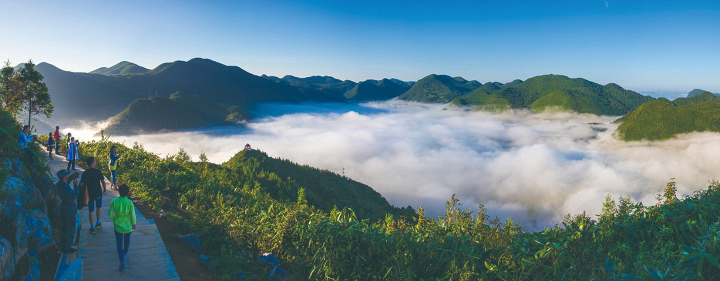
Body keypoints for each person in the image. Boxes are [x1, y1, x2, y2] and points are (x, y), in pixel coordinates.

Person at [109, 184, 136, 270]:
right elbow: (132, 214)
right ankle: (125, 253)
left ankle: (122, 261)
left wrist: (114, 219)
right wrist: (133, 223)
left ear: (119, 191)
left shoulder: (114, 201)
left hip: (118, 226)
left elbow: (110, 213)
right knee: (127, 240)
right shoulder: (129, 202)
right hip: (128, 226)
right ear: (127, 192)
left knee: (119, 243)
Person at [80, 156, 107, 234]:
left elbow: (81, 184)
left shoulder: (85, 173)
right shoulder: (98, 171)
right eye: (94, 161)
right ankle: (98, 223)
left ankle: (92, 227)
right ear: (92, 163)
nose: (95, 162)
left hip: (89, 195)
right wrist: (105, 189)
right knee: (99, 207)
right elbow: (103, 181)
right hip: (98, 193)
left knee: (91, 210)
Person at [56, 169, 79, 253]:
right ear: (65, 177)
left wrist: (73, 176)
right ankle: (67, 247)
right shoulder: (65, 187)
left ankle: (63, 245)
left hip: (63, 208)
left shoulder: (60, 184)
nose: (67, 176)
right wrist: (76, 185)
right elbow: (75, 195)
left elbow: (66, 181)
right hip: (69, 209)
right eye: (67, 175)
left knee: (64, 228)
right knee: (69, 228)